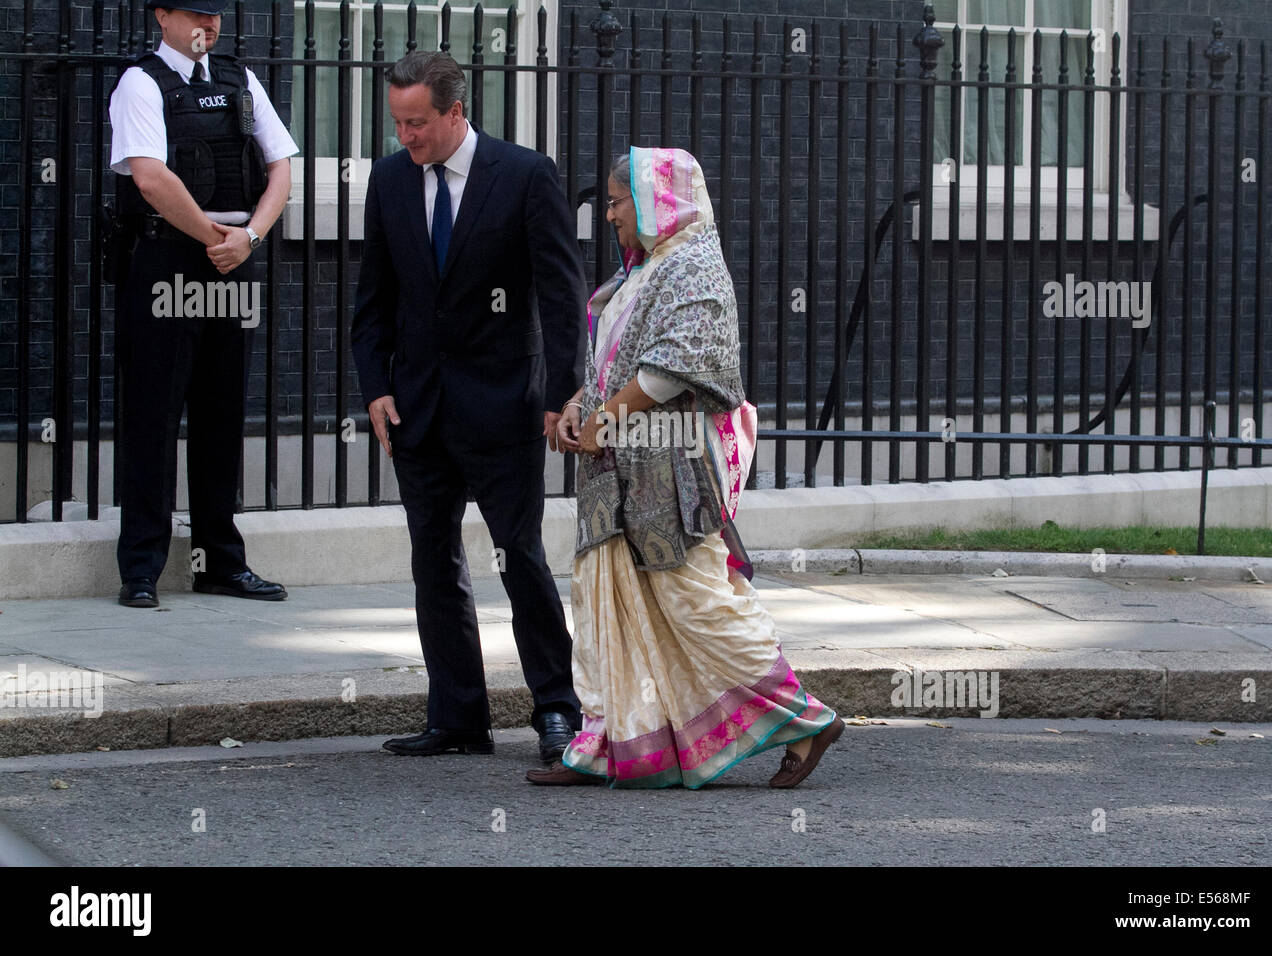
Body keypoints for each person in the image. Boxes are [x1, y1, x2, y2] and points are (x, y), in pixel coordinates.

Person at [526, 147, 845, 789]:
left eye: (618, 201)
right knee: (606, 604)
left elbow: (673, 367)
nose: (610, 214)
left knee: (696, 601)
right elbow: (612, 365)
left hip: (669, 472)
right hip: (614, 470)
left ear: (654, 201)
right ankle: (607, 745)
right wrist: (575, 409)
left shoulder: (695, 265)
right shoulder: (643, 270)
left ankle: (807, 718)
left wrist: (603, 420)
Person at [351, 51, 586, 763]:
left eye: (417, 122)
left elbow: (560, 291)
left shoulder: (522, 175)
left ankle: (556, 709)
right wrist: (375, 387)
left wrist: (561, 393)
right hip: (418, 408)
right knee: (434, 563)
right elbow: (373, 300)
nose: (406, 137)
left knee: (521, 558)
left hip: (503, 405)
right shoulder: (391, 180)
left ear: (456, 112)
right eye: (396, 122)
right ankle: (457, 717)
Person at [110, 0, 296, 608]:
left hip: (235, 260)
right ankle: (140, 567)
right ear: (162, 17)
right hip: (169, 258)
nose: (207, 26)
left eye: (213, 15)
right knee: (153, 414)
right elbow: (149, 177)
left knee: (222, 417)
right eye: (194, 13)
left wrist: (252, 237)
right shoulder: (141, 83)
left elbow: (280, 168)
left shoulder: (241, 81)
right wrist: (217, 238)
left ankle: (221, 562)